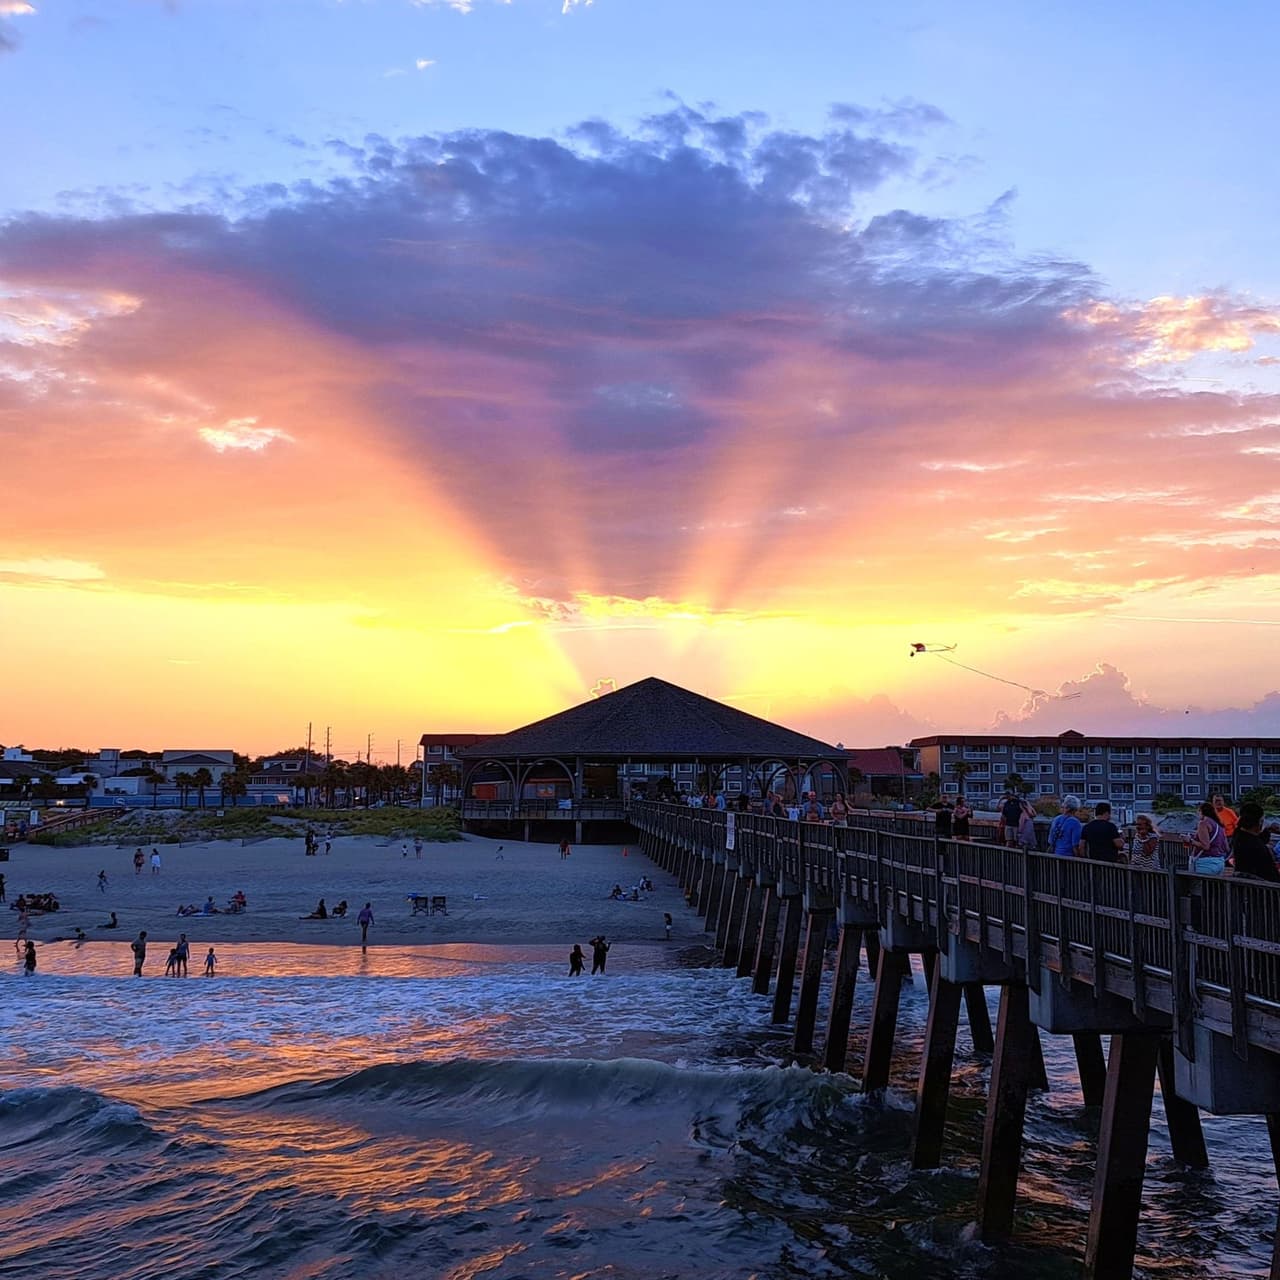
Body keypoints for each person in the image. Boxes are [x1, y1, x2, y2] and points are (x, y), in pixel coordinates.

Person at [1230, 802, 1280, 882]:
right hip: (1264, 885)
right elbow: (1271, 875)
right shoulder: (1257, 846)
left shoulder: (1238, 836)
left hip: (1245, 883)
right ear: (1259, 822)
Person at [1187, 801, 1230, 875]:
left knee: (1201, 882)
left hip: (1206, 863)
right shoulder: (1219, 826)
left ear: (1201, 811)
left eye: (1198, 811)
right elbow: (1227, 848)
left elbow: (1206, 846)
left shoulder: (1203, 823)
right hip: (1220, 862)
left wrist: (1190, 840)